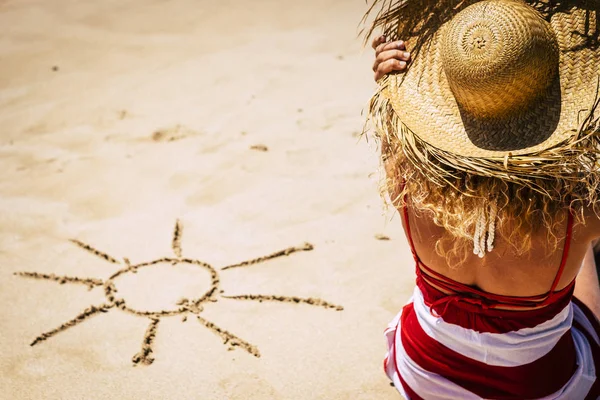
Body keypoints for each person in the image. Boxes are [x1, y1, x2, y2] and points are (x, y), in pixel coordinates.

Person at [365, 0, 600, 398]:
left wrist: (390, 85)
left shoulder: (404, 170)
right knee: (588, 261)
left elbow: (396, 123)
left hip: (424, 373)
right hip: (539, 388)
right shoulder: (581, 210)